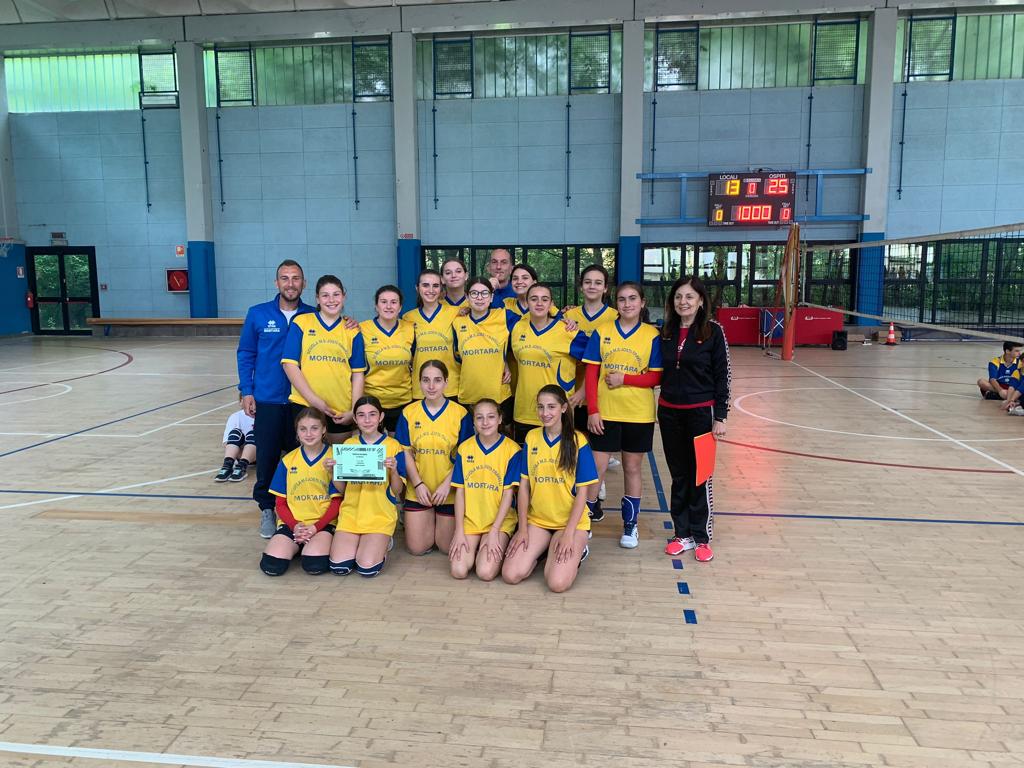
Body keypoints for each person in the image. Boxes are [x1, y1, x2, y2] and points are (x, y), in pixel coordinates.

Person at [237, 259, 315, 538]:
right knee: (267, 458)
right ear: (276, 282)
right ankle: (268, 509)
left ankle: (297, 509)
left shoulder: (313, 315)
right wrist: (247, 390)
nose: (290, 284)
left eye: (296, 278)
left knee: (301, 458)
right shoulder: (258, 314)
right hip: (268, 400)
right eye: (285, 278)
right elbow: (246, 353)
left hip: (301, 402)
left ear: (304, 283)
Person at [582, 282, 663, 548]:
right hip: (606, 412)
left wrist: (624, 379)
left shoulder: (652, 335)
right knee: (596, 467)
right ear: (615, 303)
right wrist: (593, 410)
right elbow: (591, 373)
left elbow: (656, 376)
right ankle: (585, 519)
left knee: (632, 468)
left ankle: (630, 525)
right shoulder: (602, 331)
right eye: (622, 299)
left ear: (642, 302)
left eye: (632, 298)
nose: (627, 304)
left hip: (638, 414)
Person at [657, 276, 731, 564]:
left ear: (701, 301)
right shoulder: (665, 332)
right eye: (678, 297)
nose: (683, 302)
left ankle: (701, 537)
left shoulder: (714, 331)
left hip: (701, 413)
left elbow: (723, 375)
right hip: (669, 412)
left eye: (689, 297)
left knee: (700, 476)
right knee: (679, 476)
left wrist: (720, 416)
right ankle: (682, 534)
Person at [501, 385, 596, 593]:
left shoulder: (578, 441)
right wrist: (523, 529)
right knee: (510, 574)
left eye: (551, 407)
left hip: (570, 524)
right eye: (541, 407)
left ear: (563, 408)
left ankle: (579, 550)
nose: (545, 413)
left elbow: (583, 493)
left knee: (556, 583)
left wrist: (569, 534)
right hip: (538, 521)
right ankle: (543, 550)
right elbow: (524, 487)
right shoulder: (531, 438)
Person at [396, 361, 474, 556]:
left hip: (448, 492)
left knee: (447, 548)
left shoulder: (460, 414)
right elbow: (405, 453)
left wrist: (448, 485)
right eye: (426, 380)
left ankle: (436, 523)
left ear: (446, 382)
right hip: (419, 490)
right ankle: (428, 521)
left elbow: (466, 456)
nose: (431, 386)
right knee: (417, 548)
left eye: (437, 380)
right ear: (419, 382)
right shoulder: (408, 413)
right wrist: (418, 484)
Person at [281, 275, 367, 444]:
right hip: (305, 404)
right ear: (317, 299)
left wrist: (353, 410)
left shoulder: (353, 331)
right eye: (325, 295)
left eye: (336, 294)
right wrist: (314, 401)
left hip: (339, 411)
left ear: (344, 296)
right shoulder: (302, 322)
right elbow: (289, 365)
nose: (331, 300)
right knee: (309, 457)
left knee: (337, 458)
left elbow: (358, 374)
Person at [327, 396, 406, 578]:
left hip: (379, 516)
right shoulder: (348, 445)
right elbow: (343, 490)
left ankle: (383, 542)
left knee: (367, 568)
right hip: (351, 515)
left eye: (372, 414)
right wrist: (333, 472)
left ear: (381, 417)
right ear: (355, 419)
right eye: (361, 415)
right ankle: (361, 543)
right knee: (339, 567)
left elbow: (397, 490)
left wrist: (394, 471)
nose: (367, 420)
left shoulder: (393, 446)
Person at [259, 407, 339, 577]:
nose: (308, 434)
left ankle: (311, 545)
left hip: (323, 524)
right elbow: (280, 503)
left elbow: (338, 502)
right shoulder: (288, 461)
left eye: (314, 428)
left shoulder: (334, 458)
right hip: (293, 524)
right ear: (297, 432)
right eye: (303, 429)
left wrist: (315, 527)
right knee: (271, 565)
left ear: (324, 429)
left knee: (314, 565)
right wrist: (294, 526)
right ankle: (298, 544)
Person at [448, 399, 521, 581]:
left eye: (491, 417)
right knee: (458, 571)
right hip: (471, 521)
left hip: (499, 522)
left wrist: (495, 531)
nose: (485, 422)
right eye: (479, 418)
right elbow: (460, 492)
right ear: (473, 421)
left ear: (500, 419)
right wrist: (458, 530)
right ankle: (478, 548)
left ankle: (495, 546)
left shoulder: (512, 450)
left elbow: (508, 494)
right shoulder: (465, 449)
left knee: (485, 573)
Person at [509, 283, 590, 443]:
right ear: (527, 302)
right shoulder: (517, 328)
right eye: (534, 299)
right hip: (524, 411)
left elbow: (595, 360)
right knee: (527, 457)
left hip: (557, 412)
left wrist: (583, 391)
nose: (539, 303)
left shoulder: (568, 331)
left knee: (560, 458)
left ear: (551, 304)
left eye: (544, 299)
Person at [451, 276, 518, 414]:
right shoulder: (457, 322)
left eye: (485, 293)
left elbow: (533, 319)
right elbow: (458, 357)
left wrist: (558, 315)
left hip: (499, 395)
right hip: (469, 395)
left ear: (492, 297)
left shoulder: (504, 316)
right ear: (467, 297)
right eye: (474, 293)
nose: (479, 297)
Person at [360, 285, 416, 433]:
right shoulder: (362, 329)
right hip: (372, 402)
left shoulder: (410, 329)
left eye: (394, 302)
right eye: (384, 302)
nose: (389, 306)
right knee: (373, 445)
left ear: (400, 307)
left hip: (402, 400)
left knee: (398, 445)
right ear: (376, 306)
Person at [403, 269, 461, 400]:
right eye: (425, 285)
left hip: (450, 386)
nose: (430, 290)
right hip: (421, 388)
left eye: (435, 285)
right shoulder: (408, 318)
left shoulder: (456, 312)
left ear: (441, 289)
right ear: (417, 288)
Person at [216, 395, 256, 482]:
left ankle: (242, 467)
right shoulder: (235, 416)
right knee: (235, 434)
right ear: (241, 402)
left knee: (253, 434)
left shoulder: (265, 416)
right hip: (240, 455)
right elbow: (227, 443)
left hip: (259, 455)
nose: (251, 406)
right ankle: (227, 466)